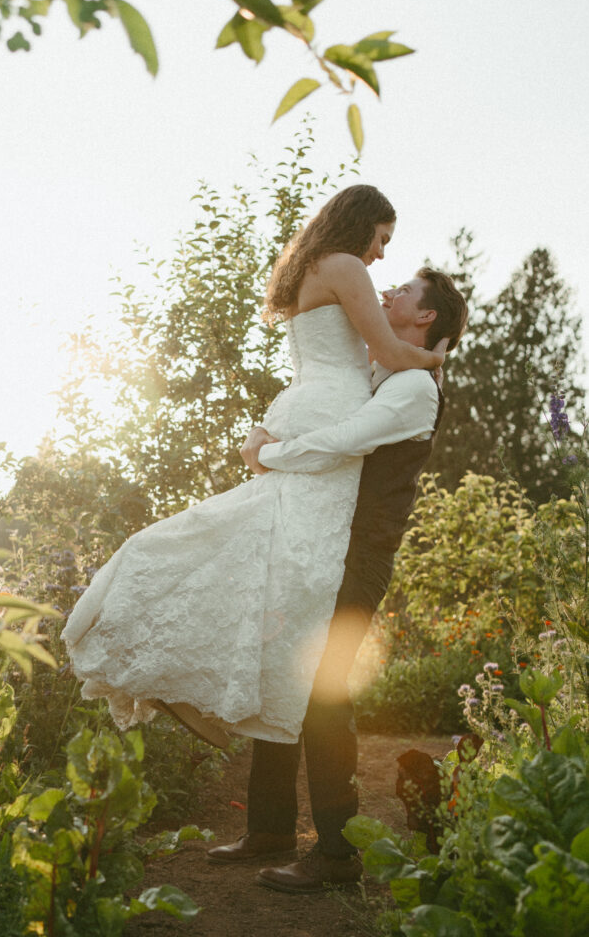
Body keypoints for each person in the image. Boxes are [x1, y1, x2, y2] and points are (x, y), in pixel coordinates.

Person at [61, 185, 443, 750]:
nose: (381, 256)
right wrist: (435, 357)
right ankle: (210, 687)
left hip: (300, 403)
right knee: (298, 579)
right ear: (363, 223)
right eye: (382, 239)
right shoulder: (344, 266)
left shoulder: (305, 265)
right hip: (329, 410)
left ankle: (196, 678)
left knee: (258, 553)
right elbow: (387, 352)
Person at [207, 269, 468, 893]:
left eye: (404, 290)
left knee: (325, 689)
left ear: (426, 317)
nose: (388, 292)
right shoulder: (382, 369)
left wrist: (267, 455)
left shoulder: (415, 388)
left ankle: (336, 853)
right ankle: (269, 828)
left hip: (360, 555)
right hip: (323, 540)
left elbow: (346, 441)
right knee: (284, 671)